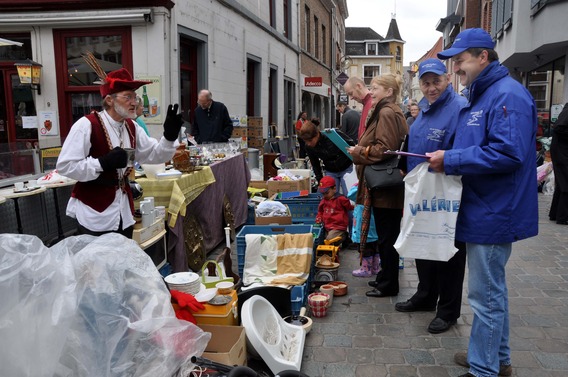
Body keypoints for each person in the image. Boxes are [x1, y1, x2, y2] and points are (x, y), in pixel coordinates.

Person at [429, 28, 538, 377]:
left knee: (484, 296)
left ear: (483, 57)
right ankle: (496, 359)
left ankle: (483, 369)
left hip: (494, 210)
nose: (456, 69)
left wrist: (452, 160)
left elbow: (509, 153)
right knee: (492, 292)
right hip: (483, 206)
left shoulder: (507, 96)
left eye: (460, 61)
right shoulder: (484, 95)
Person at [57, 67, 183, 238]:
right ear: (109, 100)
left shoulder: (132, 127)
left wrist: (169, 136)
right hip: (95, 213)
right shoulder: (86, 125)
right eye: (128, 97)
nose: (134, 102)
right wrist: (102, 163)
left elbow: (154, 154)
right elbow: (65, 166)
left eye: (135, 97)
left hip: (124, 211)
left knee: (122, 261)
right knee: (98, 263)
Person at [393, 58, 468, 334]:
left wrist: (447, 161)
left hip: (446, 191)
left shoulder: (459, 108)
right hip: (420, 189)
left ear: (447, 79)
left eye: (436, 81)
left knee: (448, 249)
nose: (431, 87)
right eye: (426, 82)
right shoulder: (423, 109)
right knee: (423, 242)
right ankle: (426, 295)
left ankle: (448, 310)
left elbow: (465, 150)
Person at [347, 73, 408, 298]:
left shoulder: (386, 112)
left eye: (375, 88)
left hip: (386, 185)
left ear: (389, 91)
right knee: (385, 234)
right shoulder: (387, 110)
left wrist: (359, 151)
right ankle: (384, 277)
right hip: (384, 186)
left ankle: (389, 284)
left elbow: (385, 148)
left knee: (387, 236)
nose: (371, 92)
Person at [299, 120, 355, 195]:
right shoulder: (309, 147)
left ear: (317, 134)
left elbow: (351, 145)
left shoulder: (332, 135)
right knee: (329, 197)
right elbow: (315, 163)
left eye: (310, 140)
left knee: (349, 194)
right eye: (305, 141)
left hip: (346, 167)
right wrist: (320, 181)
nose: (308, 143)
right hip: (330, 170)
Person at [315, 176, 354, 244]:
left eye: (327, 193)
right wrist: (319, 217)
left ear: (334, 189)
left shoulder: (341, 199)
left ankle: (344, 236)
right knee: (320, 239)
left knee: (329, 240)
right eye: (323, 194)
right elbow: (320, 211)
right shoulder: (323, 201)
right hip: (327, 226)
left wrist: (353, 205)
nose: (325, 195)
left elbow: (349, 207)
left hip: (338, 227)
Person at [549, 103, 568, 224]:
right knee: (566, 182)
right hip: (562, 152)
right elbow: (559, 127)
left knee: (562, 183)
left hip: (561, 150)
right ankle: (563, 216)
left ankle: (555, 214)